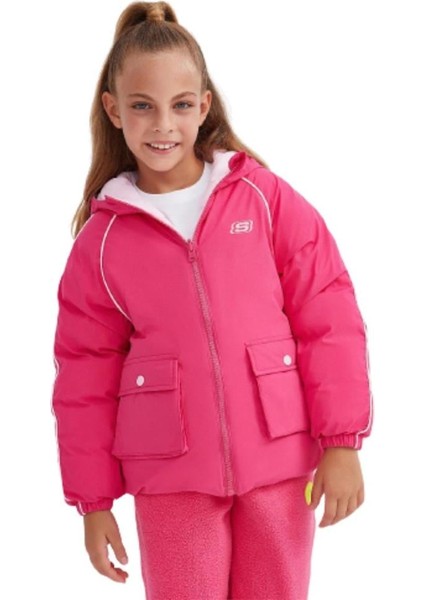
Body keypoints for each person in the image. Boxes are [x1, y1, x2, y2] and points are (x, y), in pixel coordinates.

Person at [51, 2, 374, 598]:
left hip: (279, 460)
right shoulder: (102, 241)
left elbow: (328, 314)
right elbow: (83, 375)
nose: (162, 125)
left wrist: (342, 442)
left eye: (180, 105)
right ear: (113, 109)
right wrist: (93, 502)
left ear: (203, 106)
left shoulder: (262, 197)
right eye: (142, 106)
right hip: (171, 475)